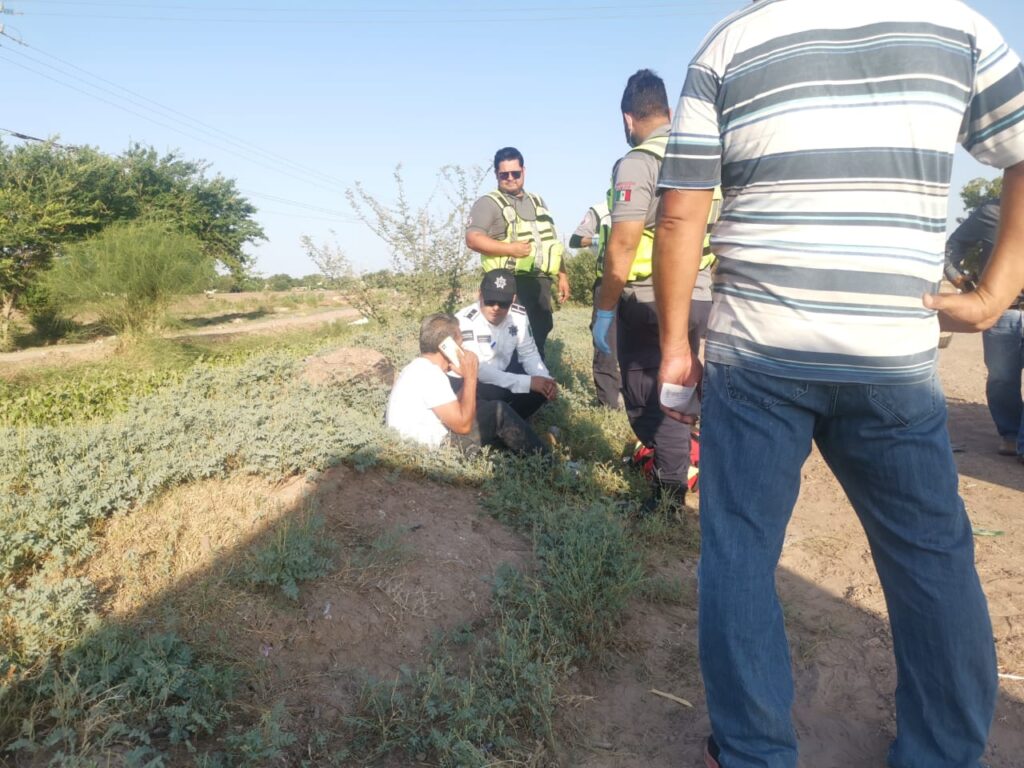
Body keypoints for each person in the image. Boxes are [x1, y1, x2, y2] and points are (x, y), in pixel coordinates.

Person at [653, 1, 1024, 766]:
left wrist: (670, 348)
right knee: (930, 556)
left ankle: (754, 753)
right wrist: (994, 293)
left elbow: (682, 211)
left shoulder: (730, 40)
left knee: (739, 553)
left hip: (757, 352)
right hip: (888, 350)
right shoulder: (957, 28)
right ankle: (943, 753)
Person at [591, 68, 719, 512]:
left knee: (651, 394)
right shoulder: (703, 155)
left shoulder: (639, 161)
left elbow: (623, 243)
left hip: (651, 299)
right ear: (667, 111)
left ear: (628, 119)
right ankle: (687, 462)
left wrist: (604, 309)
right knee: (680, 382)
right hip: (702, 294)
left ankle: (667, 495)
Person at [385, 313, 548, 456]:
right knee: (497, 412)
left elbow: (454, 409)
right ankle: (549, 462)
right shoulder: (430, 374)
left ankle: (530, 447)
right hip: (434, 450)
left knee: (482, 407)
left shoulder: (418, 368)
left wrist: (467, 379)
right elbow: (462, 426)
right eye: (460, 344)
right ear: (446, 347)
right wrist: (470, 377)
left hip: (421, 445)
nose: (462, 348)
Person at [466, 147, 570, 357]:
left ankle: (533, 386)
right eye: (504, 174)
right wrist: (509, 249)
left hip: (539, 283)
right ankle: (507, 387)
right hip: (506, 285)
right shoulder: (488, 203)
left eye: (515, 173)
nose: (510, 178)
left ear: (524, 170)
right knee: (508, 345)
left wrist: (562, 275)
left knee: (537, 337)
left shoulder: (538, 202)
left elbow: (549, 242)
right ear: (496, 174)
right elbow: (472, 239)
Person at [945, 197, 1024, 461]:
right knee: (1002, 380)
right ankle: (1011, 434)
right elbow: (953, 245)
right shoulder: (992, 211)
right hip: (1002, 311)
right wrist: (957, 276)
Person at [453, 269, 558, 420]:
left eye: (503, 303)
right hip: (474, 382)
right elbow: (476, 369)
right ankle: (494, 424)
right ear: (480, 295)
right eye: (490, 301)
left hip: (503, 376)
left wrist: (545, 380)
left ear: (513, 299)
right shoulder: (464, 321)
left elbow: (529, 354)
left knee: (539, 391)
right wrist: (528, 382)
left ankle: (510, 422)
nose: (496, 308)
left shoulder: (519, 316)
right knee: (491, 394)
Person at [570, 200, 622, 409]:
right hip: (607, 282)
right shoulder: (601, 210)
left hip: (642, 284)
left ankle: (639, 400)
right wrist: (599, 239)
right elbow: (575, 240)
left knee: (639, 345)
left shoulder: (650, 202)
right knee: (605, 345)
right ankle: (608, 405)